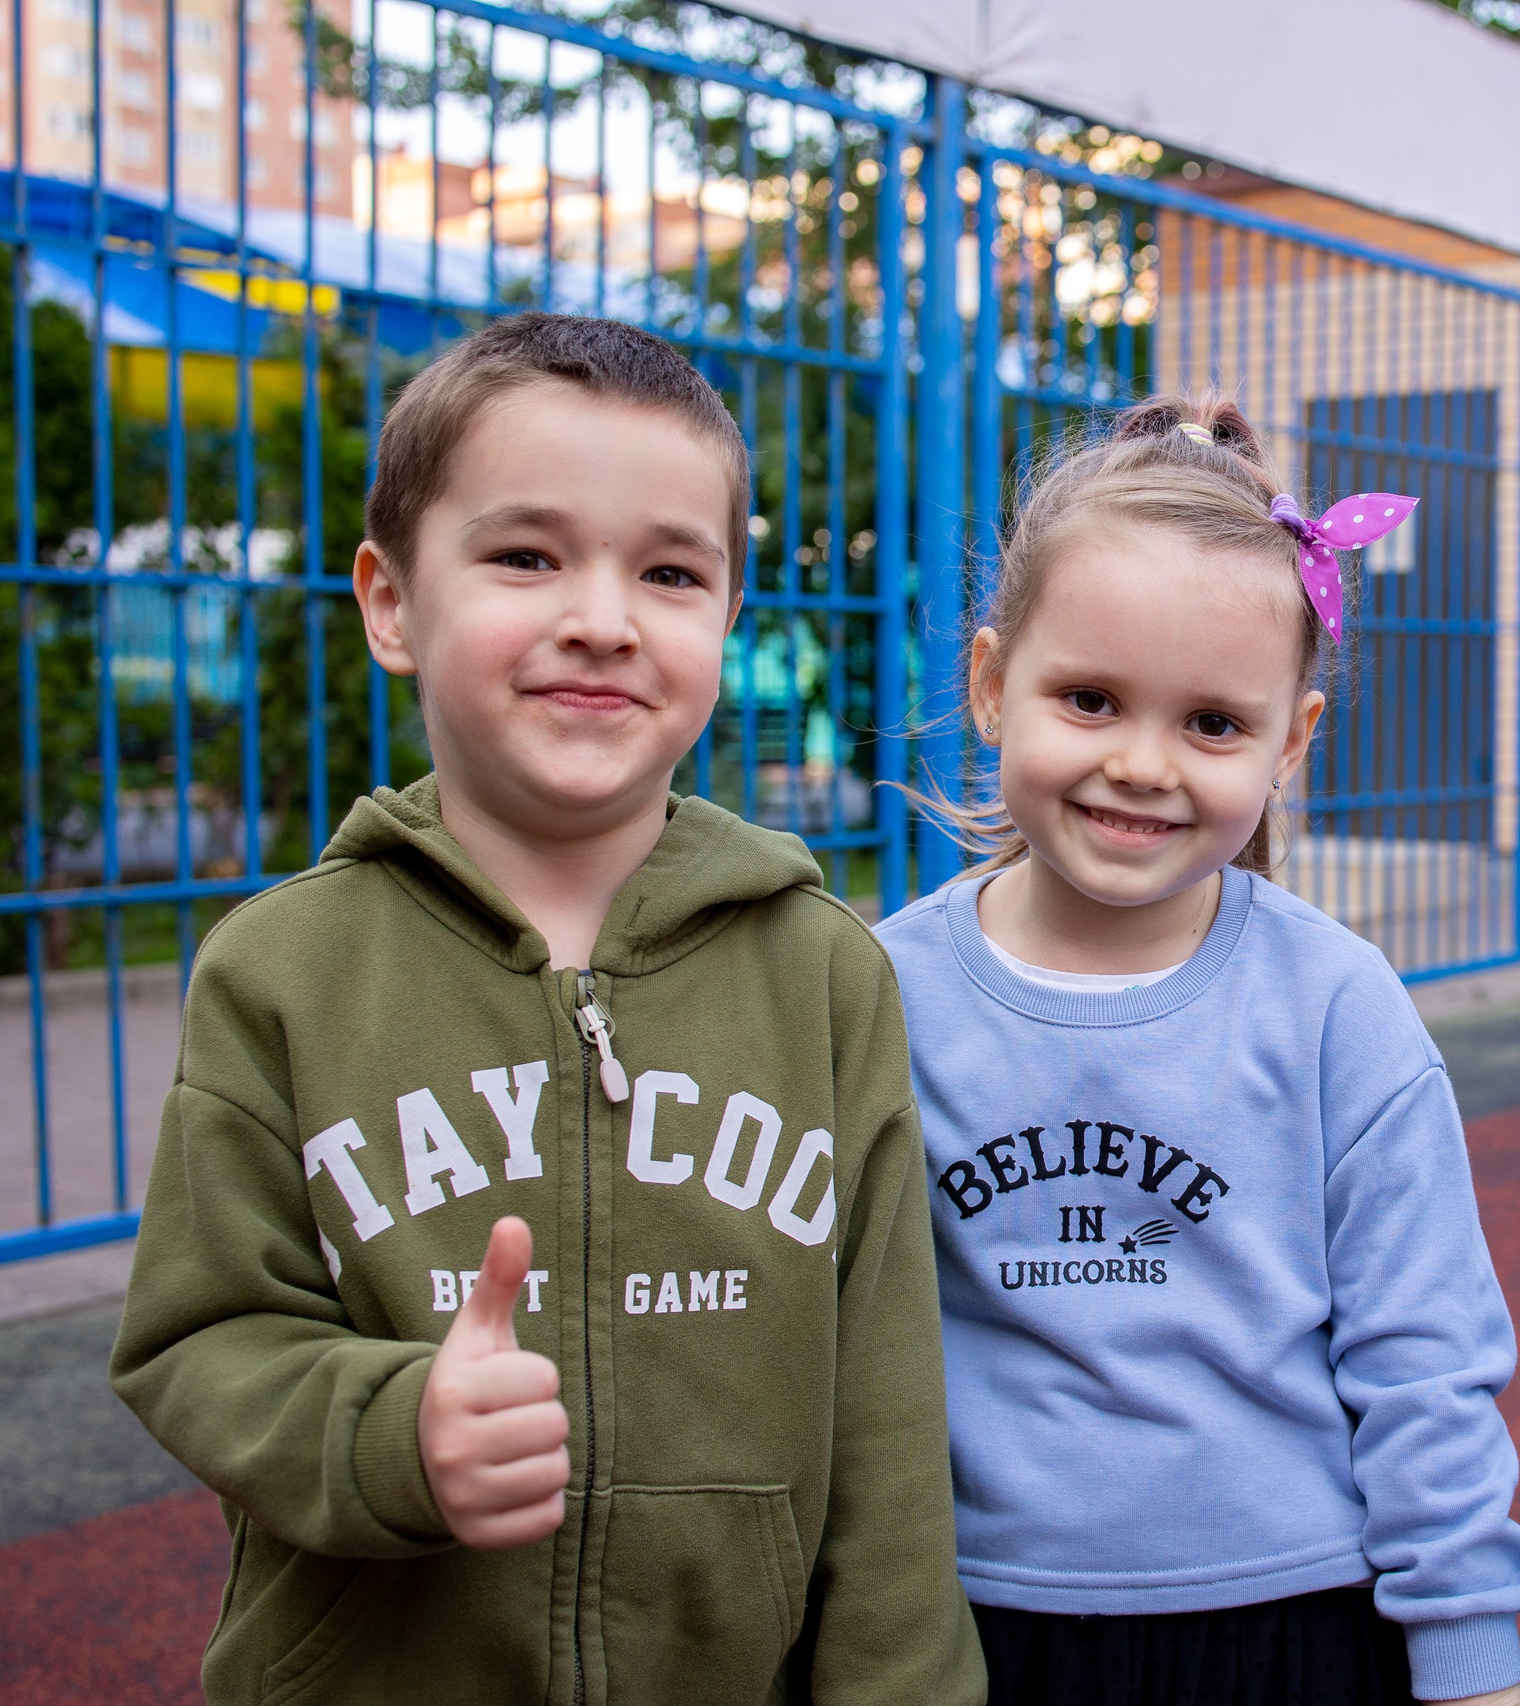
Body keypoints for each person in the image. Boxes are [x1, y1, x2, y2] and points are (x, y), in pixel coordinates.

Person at [110, 314, 984, 1706]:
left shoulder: (825, 973)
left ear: (725, 615)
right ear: (392, 601)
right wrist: (396, 1435)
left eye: (671, 570)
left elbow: (887, 1409)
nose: (602, 614)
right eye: (526, 555)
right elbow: (195, 1338)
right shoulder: (279, 970)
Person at [874, 395, 1520, 1706]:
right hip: (968, 1627)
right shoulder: (878, 992)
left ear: (1292, 741)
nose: (1142, 763)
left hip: (1290, 1626)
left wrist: (1469, 1657)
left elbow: (1426, 1365)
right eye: (1090, 697)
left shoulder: (1336, 1005)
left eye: (1212, 724)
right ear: (990, 682)